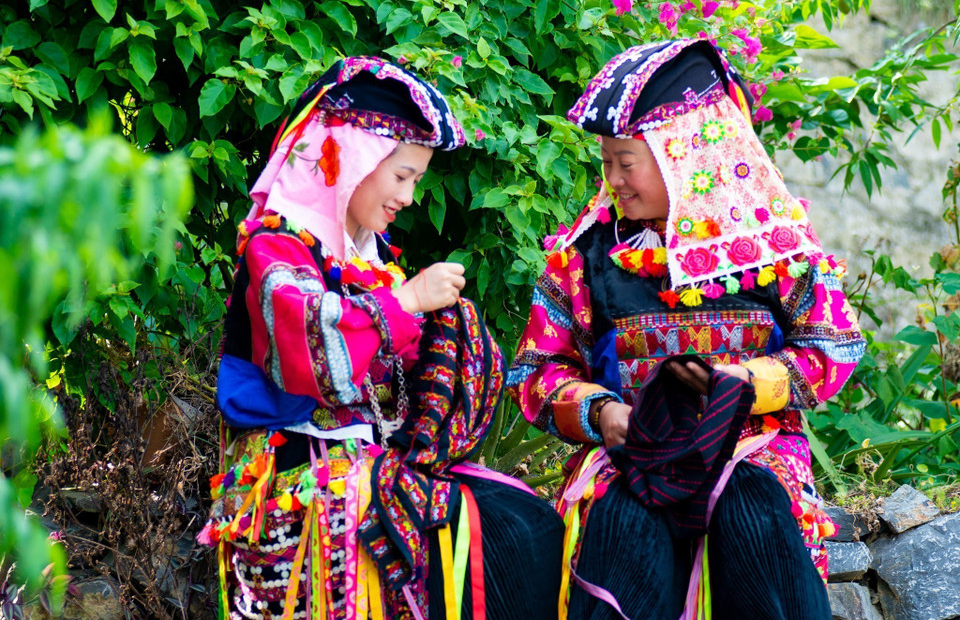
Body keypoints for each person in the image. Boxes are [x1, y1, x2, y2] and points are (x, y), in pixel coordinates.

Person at [507, 39, 866, 620]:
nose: (614, 180)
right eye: (607, 162)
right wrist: (604, 414)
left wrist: (737, 383)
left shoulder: (777, 245)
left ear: (686, 155)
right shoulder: (585, 255)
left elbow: (833, 349)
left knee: (750, 511)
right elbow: (536, 373)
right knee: (625, 518)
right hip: (631, 456)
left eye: (628, 162)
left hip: (755, 446)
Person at [198, 56, 563, 620]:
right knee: (473, 532)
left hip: (365, 464)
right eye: (402, 176)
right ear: (346, 159)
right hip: (297, 473)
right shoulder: (277, 248)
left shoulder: (367, 258)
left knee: (525, 521)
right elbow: (312, 355)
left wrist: (449, 334)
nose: (410, 196)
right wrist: (410, 302)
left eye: (416, 179)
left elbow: (401, 362)